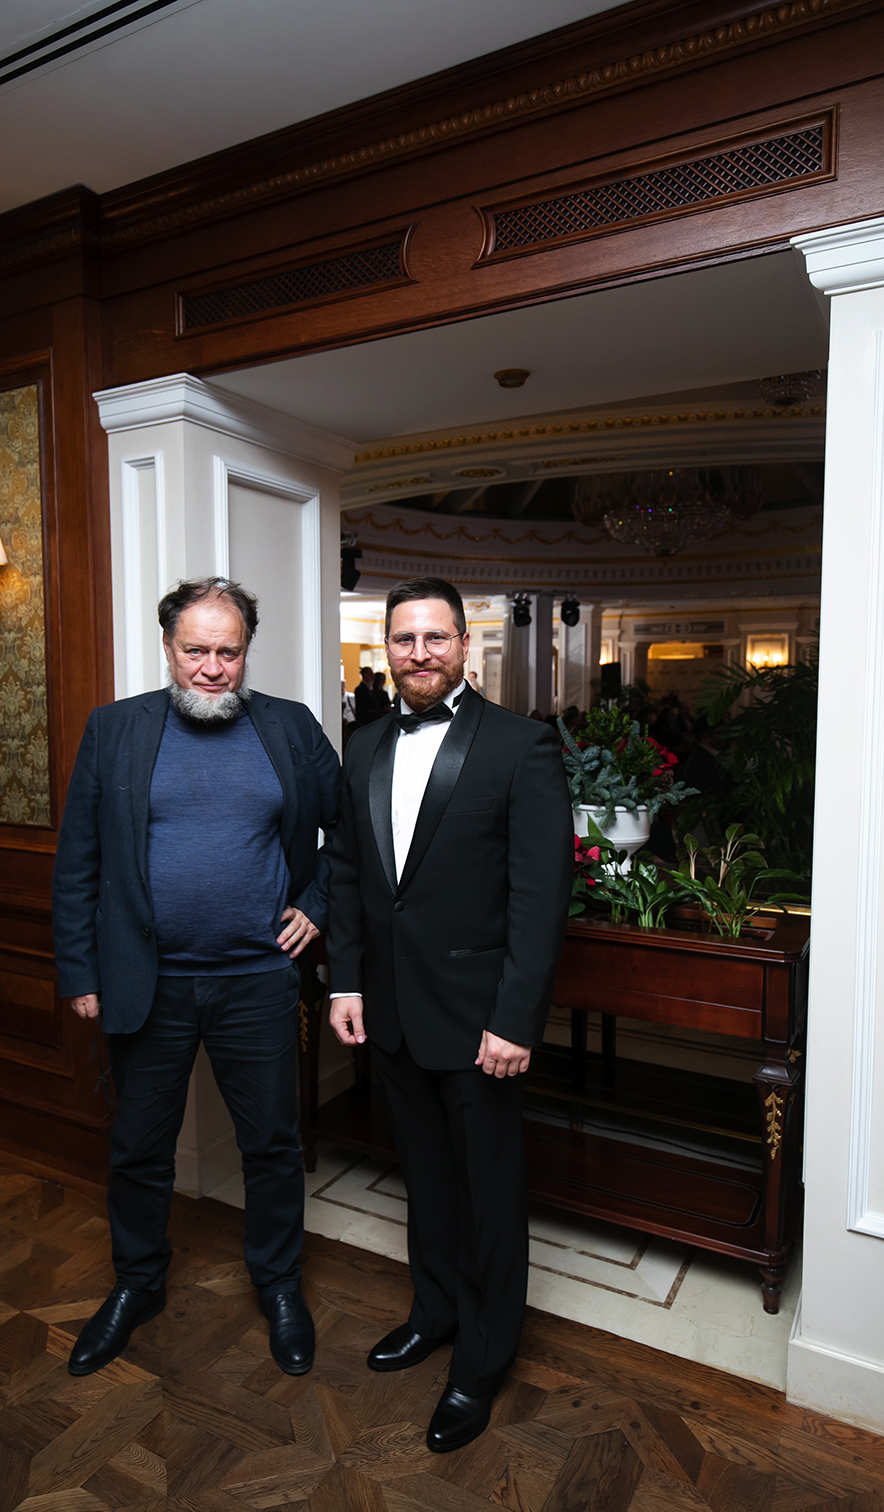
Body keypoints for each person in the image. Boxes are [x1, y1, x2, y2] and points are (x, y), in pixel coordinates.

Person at [52, 576, 341, 1379]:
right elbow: (78, 860)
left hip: (258, 981)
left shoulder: (289, 727)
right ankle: (137, 1284)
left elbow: (349, 830)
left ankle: (279, 1285)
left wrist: (317, 905)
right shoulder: (115, 729)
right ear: (168, 647)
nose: (213, 668)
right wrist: (80, 969)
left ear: (246, 651)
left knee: (272, 1145)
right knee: (140, 1147)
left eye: (228, 652)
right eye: (196, 651)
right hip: (148, 983)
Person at [327, 576, 573, 1454]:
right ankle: (433, 1312)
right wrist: (345, 984)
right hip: (390, 1013)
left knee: (488, 1195)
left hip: (480, 1024)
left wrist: (515, 1020)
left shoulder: (521, 745)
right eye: (404, 639)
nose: (419, 653)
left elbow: (540, 898)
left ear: (465, 645)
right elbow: (348, 874)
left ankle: (483, 1356)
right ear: (386, 650)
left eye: (436, 637)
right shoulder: (362, 744)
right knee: (425, 1182)